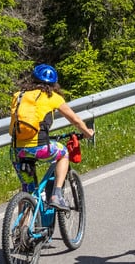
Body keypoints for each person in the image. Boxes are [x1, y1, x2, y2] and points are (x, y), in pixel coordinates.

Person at [9, 64, 95, 209]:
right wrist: (87, 132)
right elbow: (75, 120)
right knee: (63, 153)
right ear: (54, 83)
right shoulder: (53, 97)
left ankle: (23, 222)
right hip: (39, 147)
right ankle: (57, 195)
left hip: (17, 150)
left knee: (28, 191)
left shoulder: (18, 96)